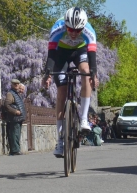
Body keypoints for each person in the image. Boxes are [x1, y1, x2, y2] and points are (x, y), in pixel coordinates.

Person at [42, 7, 99, 157]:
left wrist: (94, 74)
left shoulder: (89, 31)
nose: (73, 33)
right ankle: (61, 141)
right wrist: (47, 73)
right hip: (60, 55)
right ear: (65, 25)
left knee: (86, 73)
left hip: (80, 52)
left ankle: (84, 118)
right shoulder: (57, 28)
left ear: (83, 27)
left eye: (78, 30)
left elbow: (92, 56)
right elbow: (52, 55)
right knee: (61, 92)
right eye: (70, 29)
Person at [4, 79, 26, 155]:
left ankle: (16, 149)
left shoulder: (16, 94)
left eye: (17, 84)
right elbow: (7, 105)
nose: (16, 85)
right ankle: (15, 150)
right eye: (14, 84)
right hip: (14, 117)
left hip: (18, 118)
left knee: (17, 134)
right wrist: (15, 111)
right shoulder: (10, 94)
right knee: (14, 134)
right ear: (12, 85)